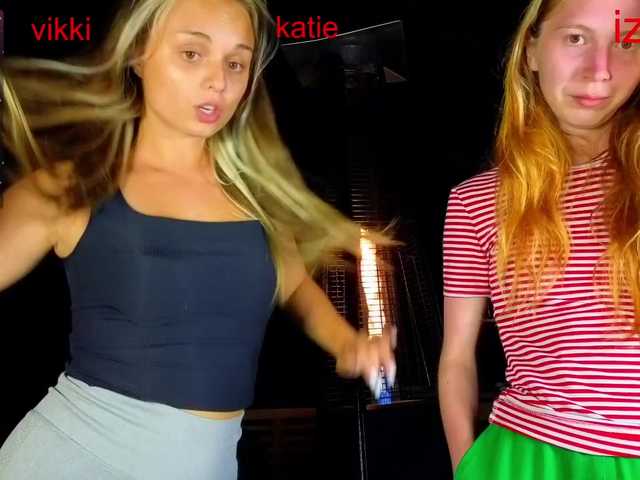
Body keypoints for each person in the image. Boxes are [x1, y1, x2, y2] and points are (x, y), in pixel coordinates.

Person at [0, 0, 399, 478]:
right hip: (78, 457)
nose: (218, 81)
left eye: (236, 63)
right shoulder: (75, 188)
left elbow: (292, 284)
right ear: (138, 53)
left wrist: (347, 344)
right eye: (192, 54)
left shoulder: (253, 196)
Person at [438, 0, 640, 479]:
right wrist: (467, 467)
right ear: (531, 50)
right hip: (533, 458)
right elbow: (457, 358)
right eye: (575, 38)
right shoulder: (475, 202)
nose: (600, 70)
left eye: (628, 42)